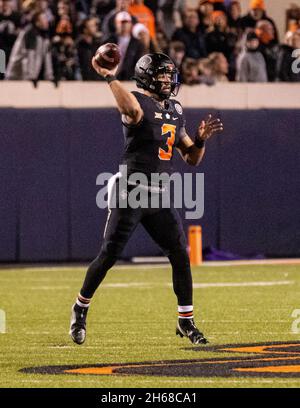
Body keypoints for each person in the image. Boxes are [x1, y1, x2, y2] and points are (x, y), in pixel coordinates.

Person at [69, 52, 224, 346]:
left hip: (161, 196)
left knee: (180, 254)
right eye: (161, 75)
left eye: (169, 75)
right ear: (145, 77)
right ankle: (80, 308)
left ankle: (186, 321)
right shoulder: (137, 103)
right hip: (131, 192)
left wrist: (200, 140)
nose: (167, 80)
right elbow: (129, 107)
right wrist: (109, 76)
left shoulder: (176, 109)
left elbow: (191, 158)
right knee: (108, 256)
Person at [5, 10, 54, 81]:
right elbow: (28, 57)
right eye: (43, 19)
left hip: (28, 76)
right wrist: (31, 77)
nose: (46, 21)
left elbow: (47, 56)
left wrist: (50, 76)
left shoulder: (44, 35)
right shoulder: (30, 32)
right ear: (37, 23)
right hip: (16, 77)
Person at [101, 11, 144, 81]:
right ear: (116, 24)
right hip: (109, 77)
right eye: (121, 22)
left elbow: (139, 64)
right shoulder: (108, 42)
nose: (124, 25)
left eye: (126, 22)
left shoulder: (137, 44)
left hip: (129, 79)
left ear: (131, 24)